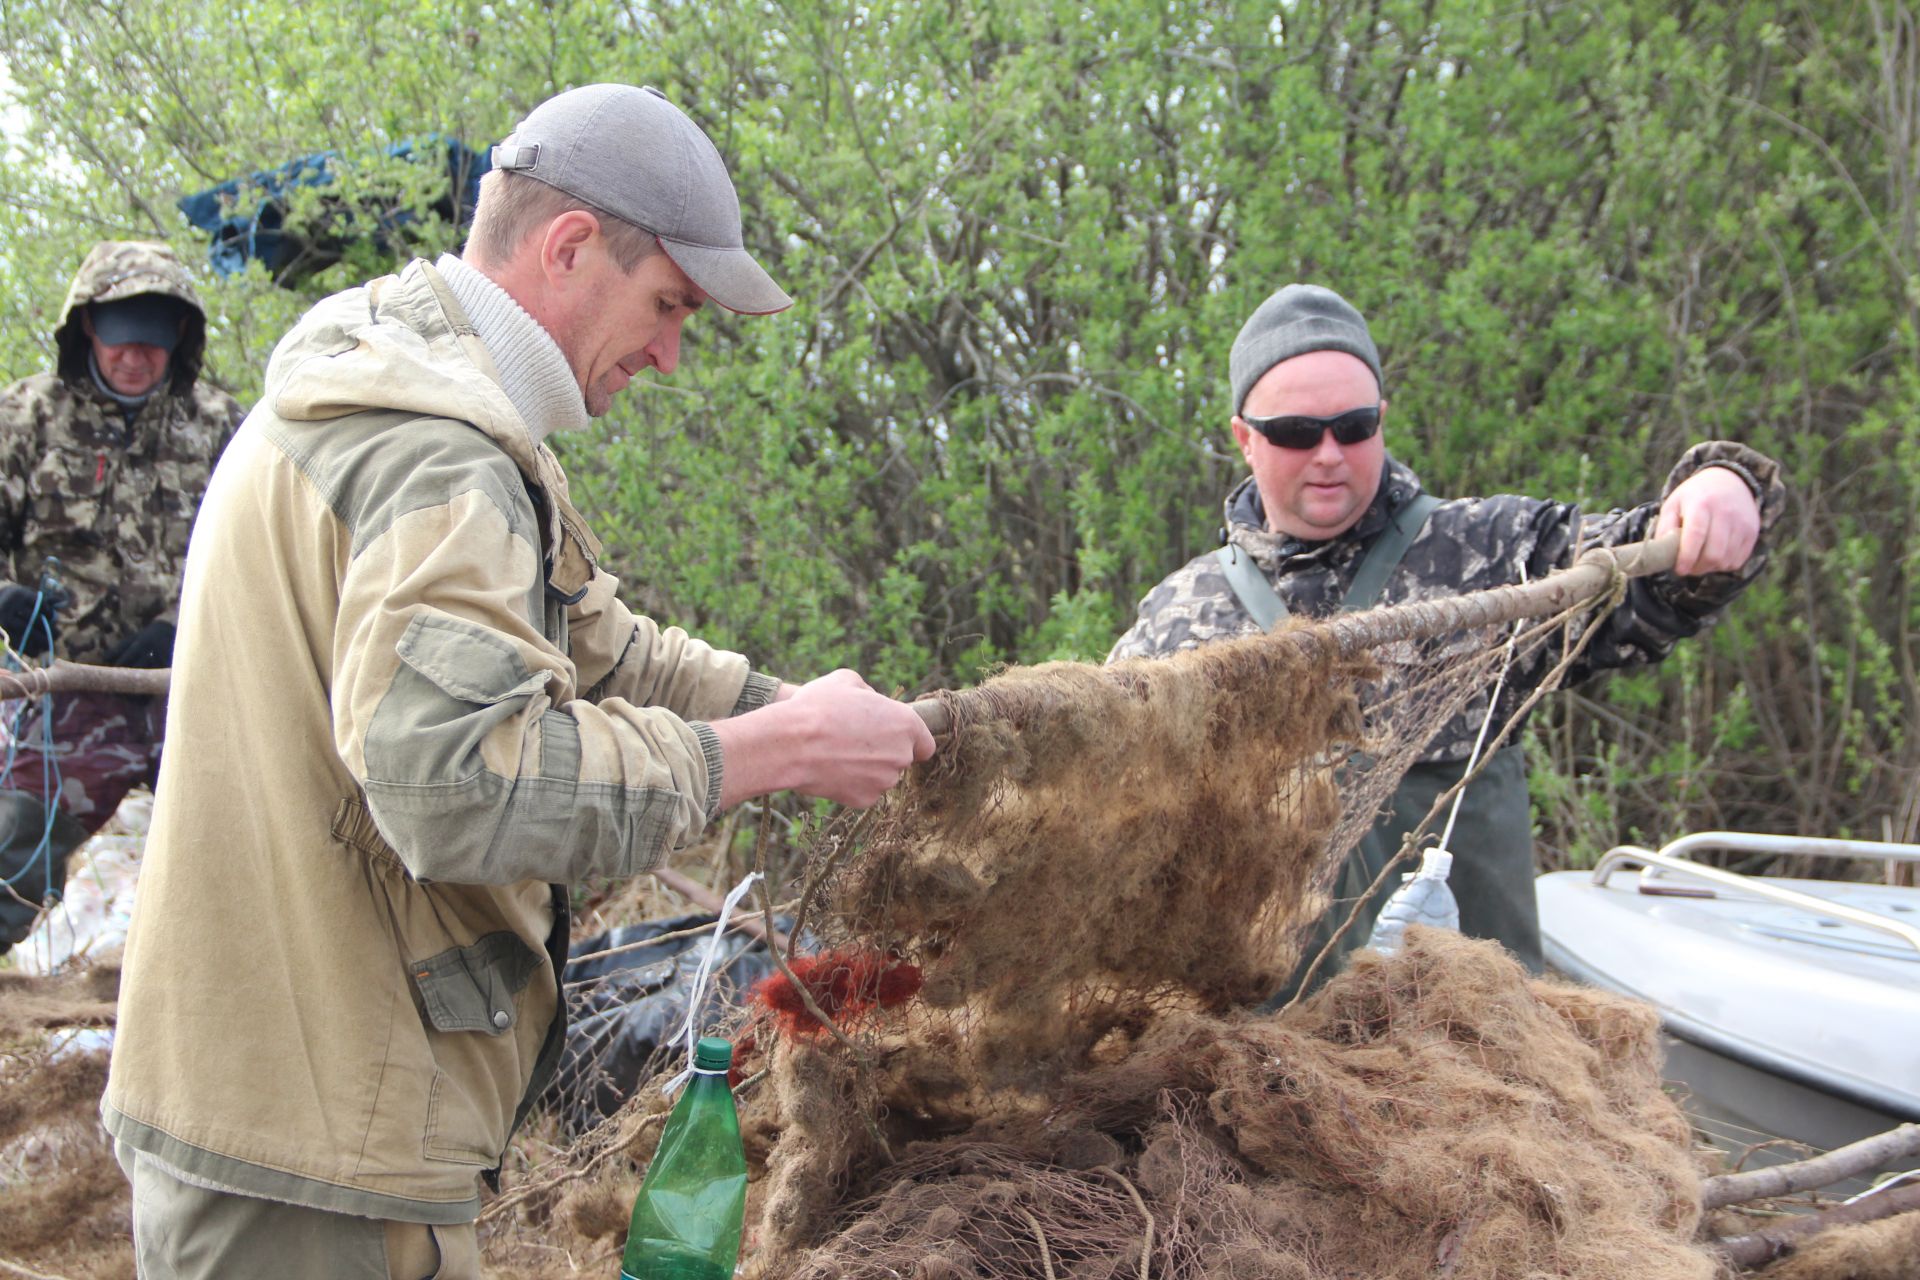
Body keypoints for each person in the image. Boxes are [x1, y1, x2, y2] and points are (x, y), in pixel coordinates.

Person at [102, 85, 936, 1278]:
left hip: (290, 1121)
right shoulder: (431, 451)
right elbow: (459, 785)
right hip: (313, 1164)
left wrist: (797, 708)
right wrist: (777, 752)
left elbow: (603, 648)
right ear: (569, 247)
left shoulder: (431, 401)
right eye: (666, 305)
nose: (670, 351)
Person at [1108, 283, 1785, 998]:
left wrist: (1724, 485)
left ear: (1383, 422)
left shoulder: (1494, 555)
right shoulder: (1181, 616)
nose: (1330, 454)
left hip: (1465, 1061)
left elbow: (1650, 578)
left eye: (1355, 426)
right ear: (1245, 437)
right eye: (1298, 433)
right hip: (1258, 1067)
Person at [0, 240, 241, 953]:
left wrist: (181, 622)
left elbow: (260, 549)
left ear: (180, 341)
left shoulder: (224, 426)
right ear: (87, 332)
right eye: (120, 341)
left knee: (253, 855)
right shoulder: (25, 418)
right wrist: (6, 598)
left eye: (154, 343)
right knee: (15, 854)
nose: (135, 358)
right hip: (72, 692)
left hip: (197, 687)